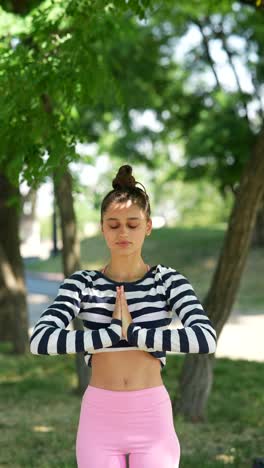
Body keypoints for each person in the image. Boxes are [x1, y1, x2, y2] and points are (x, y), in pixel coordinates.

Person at [29, 164, 217, 468]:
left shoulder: (167, 280)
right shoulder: (83, 283)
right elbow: (40, 340)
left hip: (151, 416)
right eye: (113, 224)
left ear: (148, 226)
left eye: (132, 223)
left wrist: (136, 334)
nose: (123, 232)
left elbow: (205, 338)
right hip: (99, 418)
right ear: (102, 228)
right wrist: (110, 333)